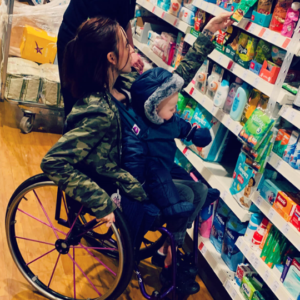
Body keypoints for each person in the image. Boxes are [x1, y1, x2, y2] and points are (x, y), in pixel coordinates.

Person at [41, 12, 234, 296]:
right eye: (125, 43)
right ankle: (170, 262)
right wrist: (101, 202)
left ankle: (170, 257)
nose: (132, 46)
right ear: (110, 57)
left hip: (144, 166)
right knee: (190, 195)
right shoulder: (96, 110)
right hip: (124, 184)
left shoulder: (127, 84)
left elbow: (170, 85)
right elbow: (54, 162)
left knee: (197, 192)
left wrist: (206, 35)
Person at [57, 0, 144, 117]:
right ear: (111, 57)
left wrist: (131, 51)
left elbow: (125, 20)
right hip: (81, 36)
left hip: (104, 39)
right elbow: (102, 29)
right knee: (76, 99)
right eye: (126, 46)